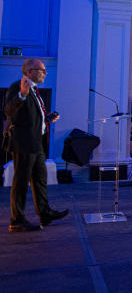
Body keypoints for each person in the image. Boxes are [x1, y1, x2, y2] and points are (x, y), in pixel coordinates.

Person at [3, 59, 69, 232]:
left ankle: (44, 213)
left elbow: (29, 116)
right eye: (42, 70)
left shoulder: (33, 89)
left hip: (36, 143)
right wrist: (22, 95)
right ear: (29, 71)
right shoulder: (18, 87)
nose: (45, 73)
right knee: (21, 181)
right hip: (23, 143)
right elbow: (8, 110)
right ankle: (16, 220)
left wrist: (47, 118)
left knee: (40, 179)